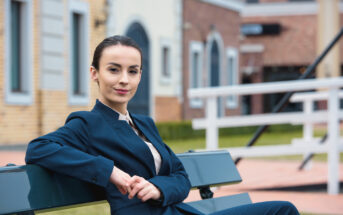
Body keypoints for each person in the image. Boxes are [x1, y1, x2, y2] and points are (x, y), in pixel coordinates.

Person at [25, 35, 299, 215]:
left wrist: (158, 189)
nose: (124, 80)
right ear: (94, 73)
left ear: (140, 76)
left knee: (282, 210)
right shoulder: (88, 123)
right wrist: (110, 172)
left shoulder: (145, 124)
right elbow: (39, 148)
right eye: (113, 69)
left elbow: (181, 177)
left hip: (180, 212)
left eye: (132, 71)